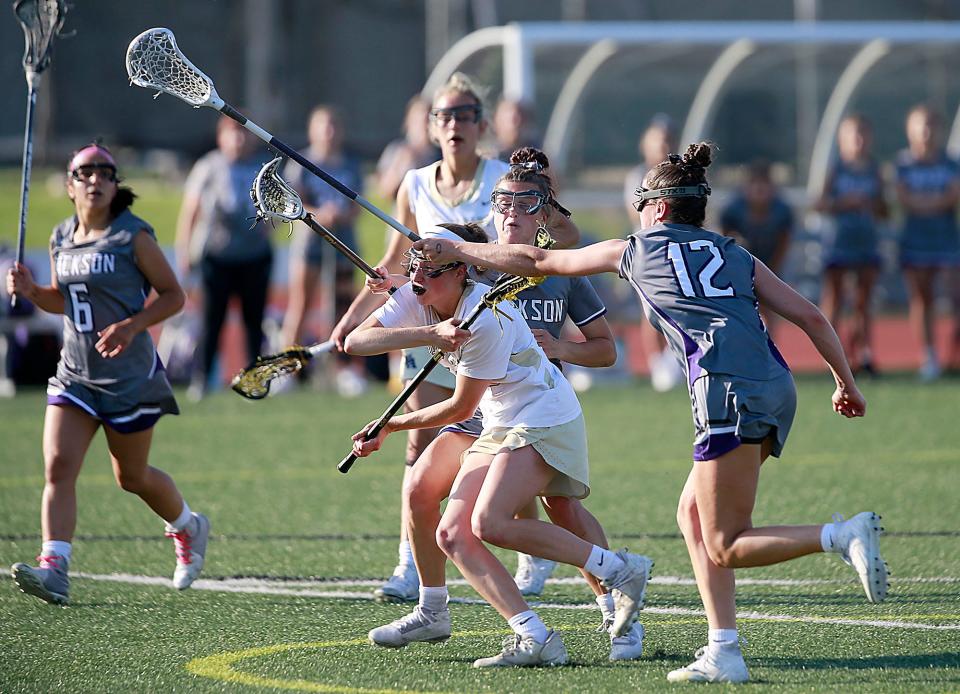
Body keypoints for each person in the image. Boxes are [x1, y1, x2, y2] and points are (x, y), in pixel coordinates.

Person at [414, 142, 889, 684]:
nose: (636, 211)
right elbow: (810, 315)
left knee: (726, 541)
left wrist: (459, 249)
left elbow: (542, 260)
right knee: (692, 514)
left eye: (641, 201)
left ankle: (840, 535)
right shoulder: (733, 251)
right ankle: (723, 649)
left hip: (725, 391)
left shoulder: (637, 249)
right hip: (776, 385)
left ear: (659, 209)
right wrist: (843, 383)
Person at [360, 149, 646, 661]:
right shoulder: (474, 259)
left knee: (560, 510)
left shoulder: (558, 266)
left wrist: (559, 348)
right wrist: (403, 289)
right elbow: (434, 273)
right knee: (423, 492)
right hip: (478, 411)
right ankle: (433, 607)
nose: (511, 212)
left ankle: (616, 609)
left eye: (525, 203)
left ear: (545, 213)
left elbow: (605, 346)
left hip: (530, 408)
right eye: (503, 202)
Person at [331, 73, 579, 603]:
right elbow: (395, 263)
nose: (453, 124)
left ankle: (533, 555)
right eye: (444, 115)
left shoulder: (501, 178)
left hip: (488, 323)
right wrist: (357, 313)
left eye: (464, 114)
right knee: (424, 447)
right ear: (431, 125)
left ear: (481, 124)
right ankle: (409, 567)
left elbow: (555, 240)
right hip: (430, 324)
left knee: (504, 438)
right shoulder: (414, 184)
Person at [5, 143, 210, 605]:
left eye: (104, 172)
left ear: (116, 184)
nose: (95, 180)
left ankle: (188, 527)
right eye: (84, 173)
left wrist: (133, 325)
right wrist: (34, 291)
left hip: (129, 378)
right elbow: (64, 299)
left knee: (131, 477)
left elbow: (173, 295)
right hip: (75, 374)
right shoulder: (61, 236)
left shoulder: (132, 236)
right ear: (69, 185)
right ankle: (54, 567)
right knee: (58, 466)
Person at [176, 114, 270, 400]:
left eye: (243, 133)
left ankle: (256, 379)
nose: (239, 139)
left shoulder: (261, 168)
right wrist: (185, 250)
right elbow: (190, 211)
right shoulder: (208, 167)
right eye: (233, 133)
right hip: (217, 257)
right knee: (211, 320)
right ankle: (203, 378)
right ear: (221, 136)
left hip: (254, 257)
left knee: (254, 322)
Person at [279, 105, 367, 396]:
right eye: (322, 126)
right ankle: (288, 369)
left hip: (343, 243)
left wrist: (341, 215)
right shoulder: (301, 163)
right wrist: (318, 214)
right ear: (312, 130)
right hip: (311, 243)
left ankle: (342, 369)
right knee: (301, 306)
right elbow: (294, 203)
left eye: (333, 125)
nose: (328, 132)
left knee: (340, 307)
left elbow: (358, 206)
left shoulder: (351, 164)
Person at [816, 115, 887, 375]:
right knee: (834, 298)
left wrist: (873, 205)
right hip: (839, 242)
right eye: (852, 135)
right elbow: (820, 203)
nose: (858, 141)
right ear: (842, 140)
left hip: (866, 242)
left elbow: (884, 209)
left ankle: (863, 353)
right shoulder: (836, 170)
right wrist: (843, 203)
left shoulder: (875, 170)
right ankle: (832, 357)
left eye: (863, 135)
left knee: (863, 301)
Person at [894, 104, 960, 381]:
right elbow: (903, 197)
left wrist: (926, 203)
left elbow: (952, 195)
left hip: (946, 240)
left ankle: (954, 353)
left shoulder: (950, 163)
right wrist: (931, 202)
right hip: (915, 241)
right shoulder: (903, 163)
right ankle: (929, 355)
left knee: (955, 297)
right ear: (910, 130)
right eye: (920, 125)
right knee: (922, 299)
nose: (926, 131)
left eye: (932, 125)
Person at [623, 116, 685, 391]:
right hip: (650, 249)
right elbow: (636, 213)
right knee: (651, 307)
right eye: (658, 141)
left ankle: (679, 361)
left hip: (679, 248)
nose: (663, 146)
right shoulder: (640, 177)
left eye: (668, 140)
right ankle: (655, 363)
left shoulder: (682, 176)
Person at [719, 159, 794, 335]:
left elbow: (784, 241)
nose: (759, 189)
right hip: (741, 263)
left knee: (769, 308)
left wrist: (772, 270)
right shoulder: (734, 209)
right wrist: (734, 264)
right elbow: (723, 239)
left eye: (764, 184)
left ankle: (769, 348)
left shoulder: (781, 210)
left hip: (770, 261)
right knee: (739, 308)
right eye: (755, 184)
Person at [375, 96, 439, 201]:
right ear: (408, 122)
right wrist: (401, 164)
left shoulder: (441, 155)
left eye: (428, 121)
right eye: (418, 121)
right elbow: (384, 192)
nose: (423, 126)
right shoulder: (396, 150)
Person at [493, 98, 540, 162]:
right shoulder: (488, 159)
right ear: (497, 120)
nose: (518, 122)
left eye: (522, 115)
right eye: (513, 119)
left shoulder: (538, 157)